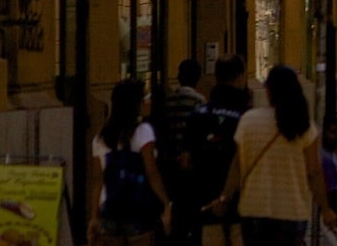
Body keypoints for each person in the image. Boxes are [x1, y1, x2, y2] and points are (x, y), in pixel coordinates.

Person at [209, 66, 337, 246]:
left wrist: (225, 196)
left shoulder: (248, 121)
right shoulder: (304, 126)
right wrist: (325, 209)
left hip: (254, 209)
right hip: (292, 211)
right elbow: (314, 172)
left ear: (268, 90)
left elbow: (237, 165)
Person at [89, 79, 171, 246]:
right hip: (138, 214)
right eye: (145, 97)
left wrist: (93, 217)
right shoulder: (143, 132)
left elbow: (98, 181)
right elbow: (151, 172)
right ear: (135, 103)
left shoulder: (100, 138)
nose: (149, 101)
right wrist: (165, 203)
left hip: (109, 213)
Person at [189, 57, 251, 246]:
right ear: (240, 78)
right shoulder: (247, 117)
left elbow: (186, 158)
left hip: (206, 197)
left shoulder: (198, 114)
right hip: (241, 200)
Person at [160, 59, 209, 246]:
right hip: (191, 165)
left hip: (170, 162)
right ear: (198, 78)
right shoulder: (198, 101)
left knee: (176, 204)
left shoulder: (168, 101)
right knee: (191, 206)